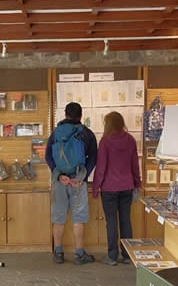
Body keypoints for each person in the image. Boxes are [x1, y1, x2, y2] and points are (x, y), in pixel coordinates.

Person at [45, 102, 98, 265]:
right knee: (78, 218)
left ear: (65, 114)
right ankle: (79, 253)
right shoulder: (87, 134)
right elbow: (94, 158)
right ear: (81, 115)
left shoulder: (55, 133)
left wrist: (59, 175)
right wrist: (82, 177)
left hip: (60, 181)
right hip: (78, 182)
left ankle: (59, 252)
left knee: (58, 217)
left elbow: (48, 156)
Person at [91, 111, 142, 266]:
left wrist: (95, 187)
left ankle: (112, 256)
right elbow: (135, 165)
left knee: (111, 221)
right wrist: (137, 183)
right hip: (127, 186)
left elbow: (101, 167)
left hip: (109, 188)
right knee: (126, 220)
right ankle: (127, 255)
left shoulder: (105, 142)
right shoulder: (131, 140)